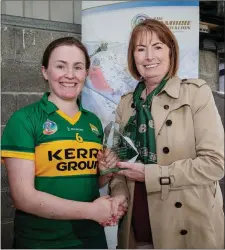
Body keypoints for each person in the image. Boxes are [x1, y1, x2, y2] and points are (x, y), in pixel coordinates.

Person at [108, 19, 224, 249]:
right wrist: (119, 192)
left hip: (187, 224)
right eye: (141, 49)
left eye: (158, 47)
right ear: (133, 57)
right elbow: (118, 168)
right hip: (137, 224)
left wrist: (151, 175)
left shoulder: (195, 94)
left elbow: (214, 164)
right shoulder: (126, 104)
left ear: (171, 51)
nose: (149, 56)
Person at [1, 37, 125, 249]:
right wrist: (91, 211)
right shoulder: (25, 119)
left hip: (91, 239)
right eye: (60, 66)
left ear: (86, 73)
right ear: (45, 72)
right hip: (40, 242)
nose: (70, 75)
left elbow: (86, 184)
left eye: (78, 67)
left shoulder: (93, 122)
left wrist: (103, 174)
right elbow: (23, 197)